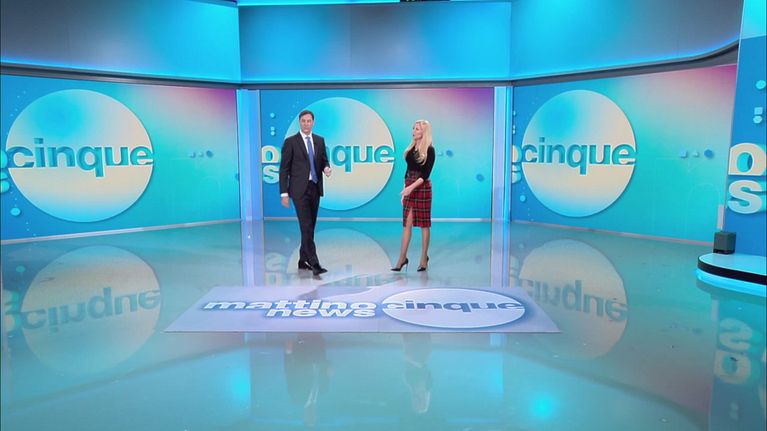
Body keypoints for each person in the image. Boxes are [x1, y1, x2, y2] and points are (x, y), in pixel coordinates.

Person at [280, 109, 332, 276]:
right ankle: (314, 263)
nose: (306, 124)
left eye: (309, 121)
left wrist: (326, 168)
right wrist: (284, 193)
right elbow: (284, 169)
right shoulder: (291, 142)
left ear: (313, 122)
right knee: (306, 226)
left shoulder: (319, 140)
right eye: (303, 121)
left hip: (314, 187)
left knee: (310, 226)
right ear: (299, 122)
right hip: (298, 190)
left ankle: (302, 260)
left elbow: (323, 160)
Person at [392, 120, 435, 272]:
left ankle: (424, 258)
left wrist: (411, 187)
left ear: (424, 132)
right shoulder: (411, 149)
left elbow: (425, 175)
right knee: (407, 224)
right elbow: (408, 171)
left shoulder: (430, 150)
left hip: (422, 188)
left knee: (424, 224)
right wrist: (405, 189)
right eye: (413, 128)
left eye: (417, 129)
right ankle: (402, 258)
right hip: (409, 185)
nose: (413, 131)